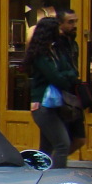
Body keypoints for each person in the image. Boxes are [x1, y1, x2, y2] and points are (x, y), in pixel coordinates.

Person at [24, 16, 78, 168]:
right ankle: (56, 180)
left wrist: (66, 75)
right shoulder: (41, 56)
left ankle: (40, 179)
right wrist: (67, 76)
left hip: (53, 105)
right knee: (62, 144)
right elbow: (57, 77)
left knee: (46, 149)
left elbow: (71, 71)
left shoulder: (54, 52)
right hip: (43, 105)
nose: (60, 33)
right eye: (57, 30)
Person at [54, 8, 87, 154]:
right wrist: (71, 75)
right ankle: (55, 166)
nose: (74, 25)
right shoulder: (56, 44)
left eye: (75, 22)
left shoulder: (73, 44)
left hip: (73, 96)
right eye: (70, 22)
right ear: (60, 24)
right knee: (61, 141)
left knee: (79, 139)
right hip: (60, 96)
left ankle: (56, 163)